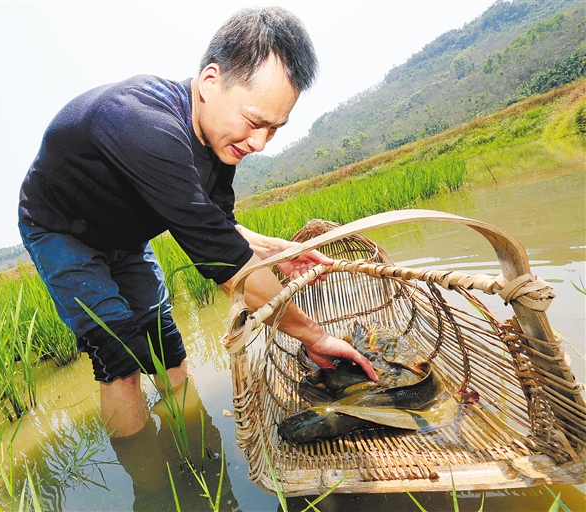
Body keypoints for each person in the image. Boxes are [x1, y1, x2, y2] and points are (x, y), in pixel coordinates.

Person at [19, 6, 377, 439]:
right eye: (254, 122)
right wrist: (313, 336)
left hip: (127, 238)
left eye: (274, 129)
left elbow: (218, 225)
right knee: (120, 358)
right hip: (61, 231)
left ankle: (192, 447)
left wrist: (275, 251)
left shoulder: (220, 142)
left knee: (164, 342)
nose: (260, 143)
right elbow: (224, 261)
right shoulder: (144, 125)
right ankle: (149, 471)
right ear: (210, 82)